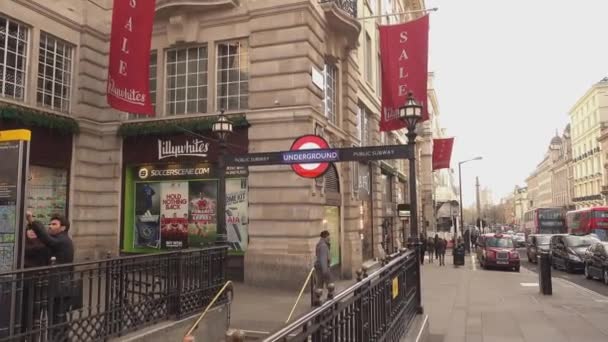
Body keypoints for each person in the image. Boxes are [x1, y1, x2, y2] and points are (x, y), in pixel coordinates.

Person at [26, 211, 75, 341]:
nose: (50, 226)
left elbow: (47, 240)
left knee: (57, 318)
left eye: (54, 224)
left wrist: (32, 221)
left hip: (59, 287)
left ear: (63, 228)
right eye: (50, 223)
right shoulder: (59, 240)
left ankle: (59, 339)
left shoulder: (63, 240)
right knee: (58, 318)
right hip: (57, 285)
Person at [314, 230, 332, 297]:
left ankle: (316, 299)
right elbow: (323, 259)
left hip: (320, 267)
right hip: (323, 268)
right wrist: (325, 271)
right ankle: (330, 299)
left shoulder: (320, 244)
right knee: (329, 285)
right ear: (325, 237)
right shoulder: (323, 246)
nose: (329, 239)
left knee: (319, 285)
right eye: (328, 237)